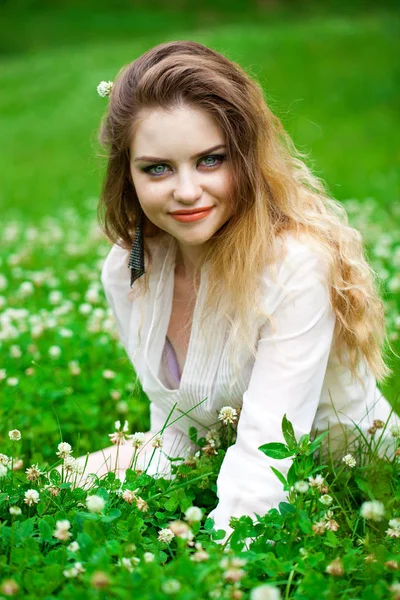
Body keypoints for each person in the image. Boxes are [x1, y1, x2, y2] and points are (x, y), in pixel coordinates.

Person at [59, 40, 399, 541]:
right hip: (232, 467)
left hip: (353, 487)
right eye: (157, 168)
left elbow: (266, 456)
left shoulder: (293, 266)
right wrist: (55, 484)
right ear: (126, 176)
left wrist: (219, 567)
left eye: (211, 160)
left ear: (245, 157)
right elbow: (180, 434)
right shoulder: (128, 270)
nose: (187, 191)